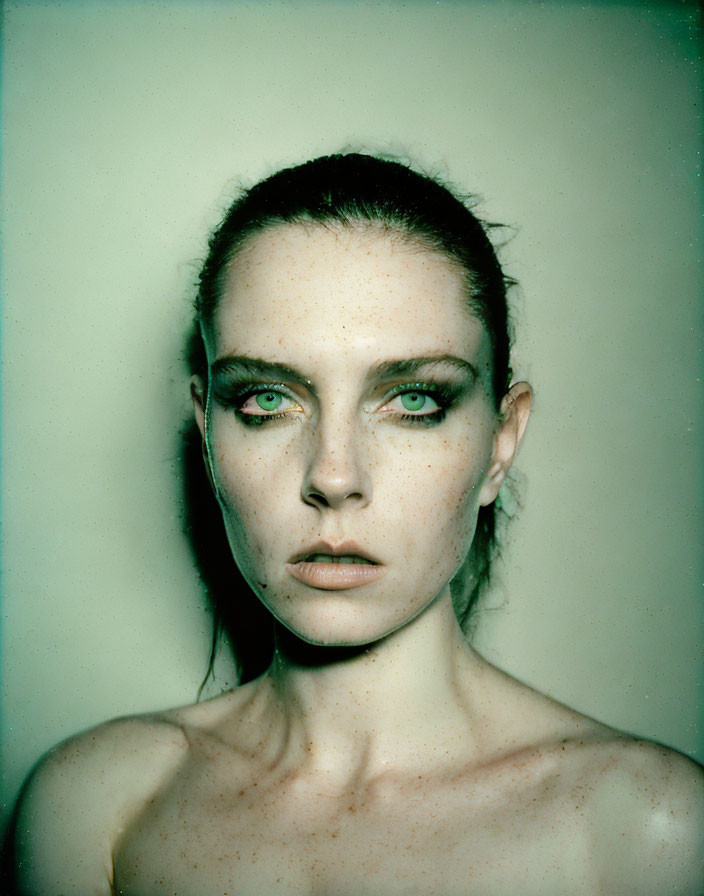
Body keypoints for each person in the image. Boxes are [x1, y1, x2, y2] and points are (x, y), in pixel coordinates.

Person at [9, 153, 703, 895]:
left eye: (413, 402)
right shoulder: (93, 809)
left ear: (500, 444)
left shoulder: (647, 831)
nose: (333, 476)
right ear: (209, 436)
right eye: (266, 402)